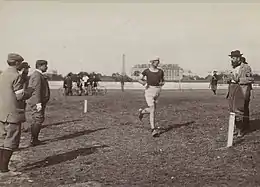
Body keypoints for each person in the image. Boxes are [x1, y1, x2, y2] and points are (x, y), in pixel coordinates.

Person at [0, 53, 33, 176]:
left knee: (2, 139)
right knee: (11, 140)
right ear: (17, 63)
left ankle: (1, 168)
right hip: (12, 113)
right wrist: (29, 92)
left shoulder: (2, 75)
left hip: (1, 112)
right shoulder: (16, 76)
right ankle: (4, 170)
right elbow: (20, 96)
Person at [226, 50, 254, 137]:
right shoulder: (233, 68)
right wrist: (228, 80)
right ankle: (238, 128)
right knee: (234, 110)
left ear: (238, 58)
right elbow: (231, 79)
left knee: (242, 110)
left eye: (233, 58)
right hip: (233, 91)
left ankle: (242, 129)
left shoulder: (246, 67)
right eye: (231, 58)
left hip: (243, 91)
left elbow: (251, 79)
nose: (232, 60)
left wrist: (239, 80)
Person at [137, 58, 165, 137]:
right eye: (156, 61)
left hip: (157, 91)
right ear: (152, 62)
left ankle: (142, 112)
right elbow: (139, 79)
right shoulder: (146, 71)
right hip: (149, 91)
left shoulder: (160, 71)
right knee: (152, 109)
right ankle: (153, 129)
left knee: (152, 110)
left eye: (158, 61)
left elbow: (163, 81)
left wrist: (161, 84)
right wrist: (144, 84)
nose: (157, 63)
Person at [27, 60, 50, 146]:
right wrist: (38, 103)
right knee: (38, 119)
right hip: (37, 102)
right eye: (45, 65)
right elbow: (36, 90)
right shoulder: (37, 76)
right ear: (40, 66)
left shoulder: (38, 75)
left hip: (38, 101)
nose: (47, 67)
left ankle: (34, 139)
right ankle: (34, 140)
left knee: (37, 119)